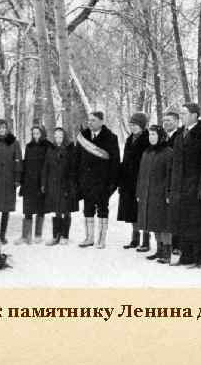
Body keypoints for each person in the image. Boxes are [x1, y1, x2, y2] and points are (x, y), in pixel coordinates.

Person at [168, 103, 201, 268]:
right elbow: (175, 163)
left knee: (199, 223)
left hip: (197, 187)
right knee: (183, 223)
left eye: (184, 113)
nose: (181, 116)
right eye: (181, 113)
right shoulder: (180, 134)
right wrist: (172, 187)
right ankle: (186, 256)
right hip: (181, 187)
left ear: (195, 115)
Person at [75, 111, 120, 249]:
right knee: (87, 209)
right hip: (86, 181)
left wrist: (112, 183)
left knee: (102, 209)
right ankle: (89, 237)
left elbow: (115, 161)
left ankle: (101, 239)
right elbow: (77, 159)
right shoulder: (83, 137)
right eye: (89, 120)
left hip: (103, 181)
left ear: (101, 121)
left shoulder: (111, 137)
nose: (90, 123)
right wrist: (78, 180)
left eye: (93, 120)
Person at [134, 125, 174, 263]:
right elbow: (141, 175)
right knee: (154, 222)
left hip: (162, 194)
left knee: (164, 224)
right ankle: (159, 250)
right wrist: (139, 191)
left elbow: (171, 174)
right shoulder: (147, 152)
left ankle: (167, 252)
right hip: (148, 193)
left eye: (154, 135)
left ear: (160, 136)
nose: (151, 137)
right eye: (150, 135)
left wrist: (169, 193)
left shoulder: (168, 152)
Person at [117, 113, 150, 250]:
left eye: (135, 125)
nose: (132, 127)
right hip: (128, 181)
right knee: (131, 211)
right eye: (131, 125)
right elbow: (125, 161)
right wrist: (121, 181)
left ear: (142, 126)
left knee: (144, 211)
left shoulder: (148, 139)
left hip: (141, 179)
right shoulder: (129, 139)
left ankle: (146, 241)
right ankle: (135, 237)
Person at [0, 119, 22, 245]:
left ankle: (2, 235)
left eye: (3, 127)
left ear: (6, 128)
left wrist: (17, 179)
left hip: (9, 180)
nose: (1, 130)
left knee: (6, 209)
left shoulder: (14, 142)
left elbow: (18, 160)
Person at [42, 128, 78, 245]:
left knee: (66, 209)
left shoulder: (69, 149)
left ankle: (65, 235)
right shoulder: (50, 149)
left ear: (64, 137)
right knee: (56, 210)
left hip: (66, 184)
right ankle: (55, 235)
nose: (58, 139)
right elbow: (45, 168)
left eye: (60, 137)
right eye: (56, 136)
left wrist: (72, 185)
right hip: (53, 184)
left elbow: (73, 169)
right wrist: (43, 183)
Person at [17, 126, 52, 245]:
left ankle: (38, 235)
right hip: (29, 181)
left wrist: (46, 181)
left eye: (37, 133)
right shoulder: (29, 146)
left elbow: (49, 164)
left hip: (41, 181)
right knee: (28, 209)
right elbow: (25, 163)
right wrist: (22, 181)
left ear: (42, 133)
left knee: (40, 208)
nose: (35, 135)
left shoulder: (47, 145)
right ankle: (26, 236)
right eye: (33, 133)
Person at [160, 110, 184, 254]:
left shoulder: (180, 135)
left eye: (169, 120)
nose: (166, 123)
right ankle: (169, 244)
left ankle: (178, 245)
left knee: (178, 213)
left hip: (177, 178)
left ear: (176, 121)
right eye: (164, 120)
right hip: (165, 178)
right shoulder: (163, 137)